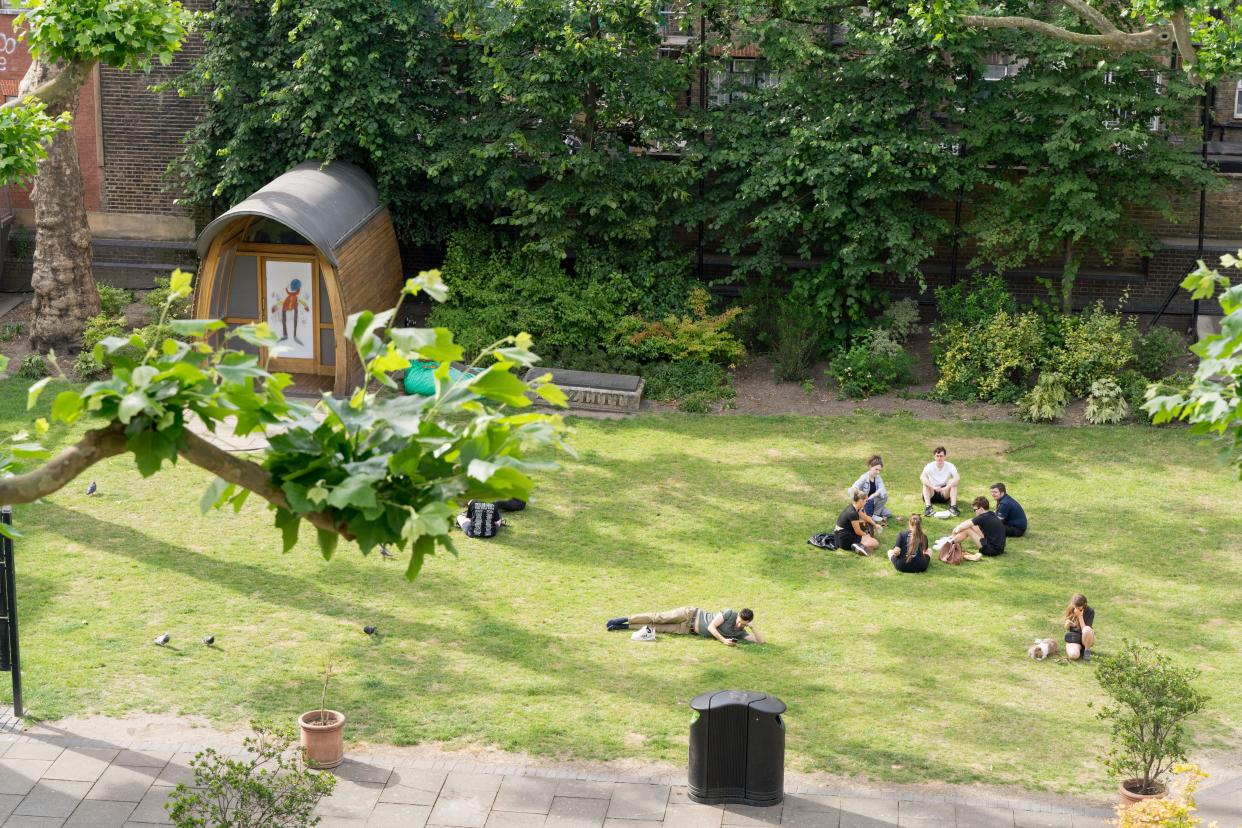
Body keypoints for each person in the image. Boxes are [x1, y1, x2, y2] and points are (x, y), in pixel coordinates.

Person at [605, 607, 764, 645]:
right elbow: (711, 628)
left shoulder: (740, 632)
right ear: (737, 616)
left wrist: (752, 627)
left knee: (656, 627)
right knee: (658, 617)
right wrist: (724, 641)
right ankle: (623, 619)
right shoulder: (729, 613)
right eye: (739, 621)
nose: (738, 624)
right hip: (690, 614)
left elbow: (760, 642)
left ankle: (623, 627)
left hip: (687, 630)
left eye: (742, 624)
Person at [836, 488, 880, 556]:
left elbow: (865, 517)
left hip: (841, 535)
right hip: (844, 539)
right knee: (875, 543)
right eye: (866, 501)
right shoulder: (853, 513)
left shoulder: (855, 507)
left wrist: (875, 525)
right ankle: (857, 545)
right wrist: (866, 536)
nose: (866, 503)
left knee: (869, 535)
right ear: (860, 501)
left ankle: (860, 545)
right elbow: (858, 531)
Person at [920, 447, 960, 517]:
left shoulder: (950, 465)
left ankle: (953, 507)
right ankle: (928, 507)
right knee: (925, 483)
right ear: (934, 457)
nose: (939, 458)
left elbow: (957, 478)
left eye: (941, 456)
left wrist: (946, 487)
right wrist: (933, 487)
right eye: (937, 456)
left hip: (943, 492)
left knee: (953, 481)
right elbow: (922, 477)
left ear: (945, 456)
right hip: (931, 492)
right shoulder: (929, 466)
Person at [851, 455, 892, 524]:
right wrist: (863, 496)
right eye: (876, 469)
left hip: (873, 502)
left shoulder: (878, 477)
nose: (878, 472)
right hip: (865, 503)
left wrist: (875, 494)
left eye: (879, 470)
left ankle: (874, 514)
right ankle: (870, 515)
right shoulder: (864, 477)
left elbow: (882, 489)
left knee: (888, 513)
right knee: (883, 512)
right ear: (870, 467)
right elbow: (853, 488)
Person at [1064, 594, 1096, 661]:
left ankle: (1087, 650)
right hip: (1075, 638)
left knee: (1087, 629)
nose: (1076, 609)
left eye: (1079, 607)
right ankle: (1076, 648)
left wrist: (1080, 616)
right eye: (1075, 606)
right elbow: (1067, 627)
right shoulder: (1071, 608)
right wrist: (1068, 624)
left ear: (1084, 604)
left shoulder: (1090, 611)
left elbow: (1085, 630)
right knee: (1073, 656)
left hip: (1087, 638)